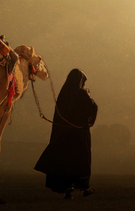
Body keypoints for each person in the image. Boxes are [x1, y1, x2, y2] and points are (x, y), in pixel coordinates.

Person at [34, 69, 98, 199]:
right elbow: (91, 108)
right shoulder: (81, 93)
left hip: (63, 135)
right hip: (79, 134)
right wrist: (89, 97)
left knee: (65, 161)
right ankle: (84, 186)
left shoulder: (63, 95)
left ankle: (67, 188)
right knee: (81, 160)